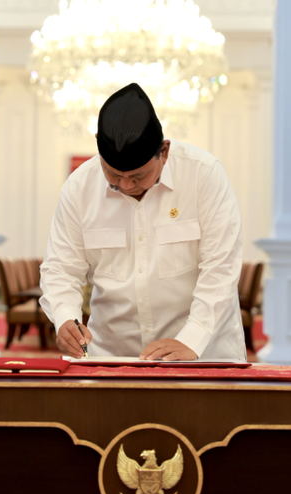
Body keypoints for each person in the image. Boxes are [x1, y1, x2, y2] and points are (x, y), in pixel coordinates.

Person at [40, 83, 246, 361]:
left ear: (164, 151)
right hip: (111, 356)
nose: (125, 185)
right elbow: (61, 268)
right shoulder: (79, 188)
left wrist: (192, 338)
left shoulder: (203, 175)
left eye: (138, 176)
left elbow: (221, 267)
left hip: (203, 352)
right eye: (113, 175)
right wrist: (65, 317)